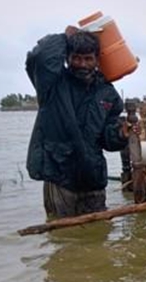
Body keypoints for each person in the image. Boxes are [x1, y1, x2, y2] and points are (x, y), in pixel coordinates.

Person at [25, 26, 131, 218]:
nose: (82, 64)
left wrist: (120, 134)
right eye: (76, 58)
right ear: (67, 58)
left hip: (93, 179)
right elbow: (39, 57)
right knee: (62, 239)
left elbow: (107, 141)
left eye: (88, 58)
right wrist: (65, 37)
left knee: (97, 237)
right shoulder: (52, 84)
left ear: (97, 60)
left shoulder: (108, 93)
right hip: (59, 177)